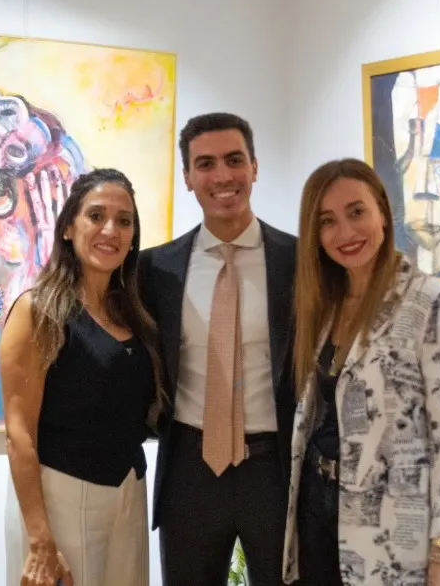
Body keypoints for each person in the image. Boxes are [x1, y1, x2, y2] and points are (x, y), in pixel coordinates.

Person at [281, 158, 440, 586]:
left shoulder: (435, 302)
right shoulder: (327, 305)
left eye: (357, 212)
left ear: (384, 214)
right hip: (316, 506)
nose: (345, 233)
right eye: (327, 221)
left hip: (391, 523)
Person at [137, 112, 299, 586]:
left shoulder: (299, 262)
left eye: (234, 160)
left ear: (255, 167)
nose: (222, 176)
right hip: (190, 469)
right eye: (205, 164)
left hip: (274, 470)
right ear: (188, 177)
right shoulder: (156, 269)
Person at [1, 168, 163, 586]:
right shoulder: (37, 310)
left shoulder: (134, 316)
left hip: (129, 493)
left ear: (133, 237)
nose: (110, 230)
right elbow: (19, 435)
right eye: (96, 216)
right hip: (61, 499)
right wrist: (40, 540)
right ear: (68, 227)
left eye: (124, 221)